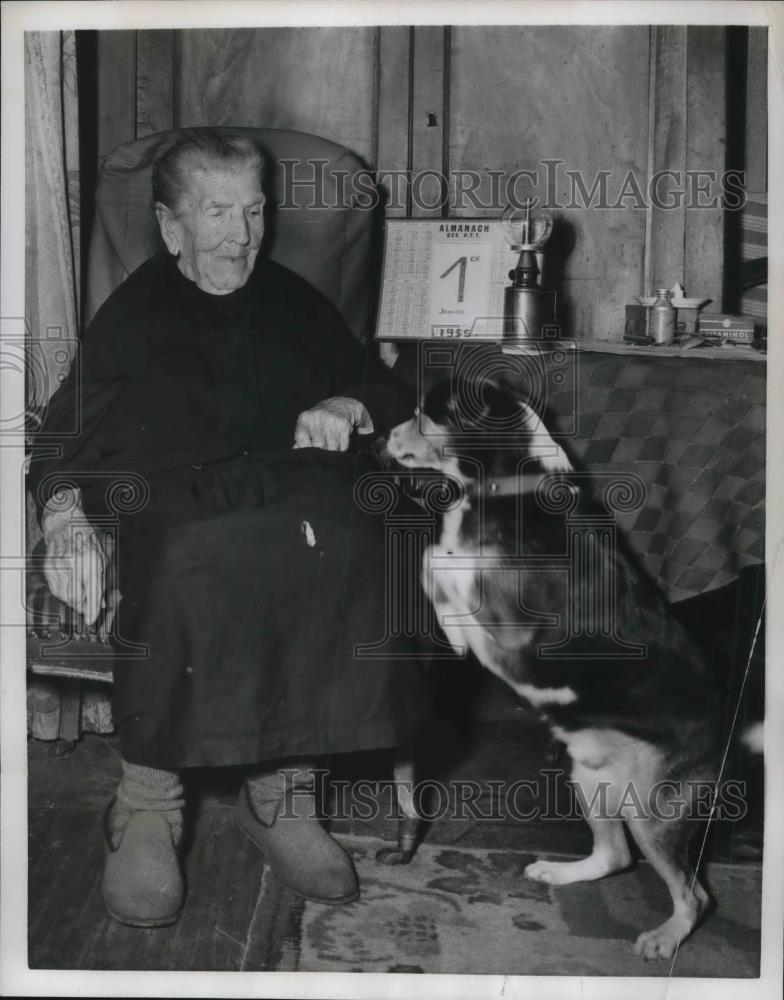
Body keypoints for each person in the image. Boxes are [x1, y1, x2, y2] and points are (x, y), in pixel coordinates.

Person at [30, 129, 429, 928]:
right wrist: (66, 512)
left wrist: (346, 404)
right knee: (186, 555)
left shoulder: (289, 295)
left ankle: (282, 795)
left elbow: (378, 384)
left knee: (350, 535)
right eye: (217, 213)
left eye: (253, 211)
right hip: (171, 498)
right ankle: (149, 803)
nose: (241, 235)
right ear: (172, 226)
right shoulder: (138, 307)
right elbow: (64, 427)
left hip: (286, 490)